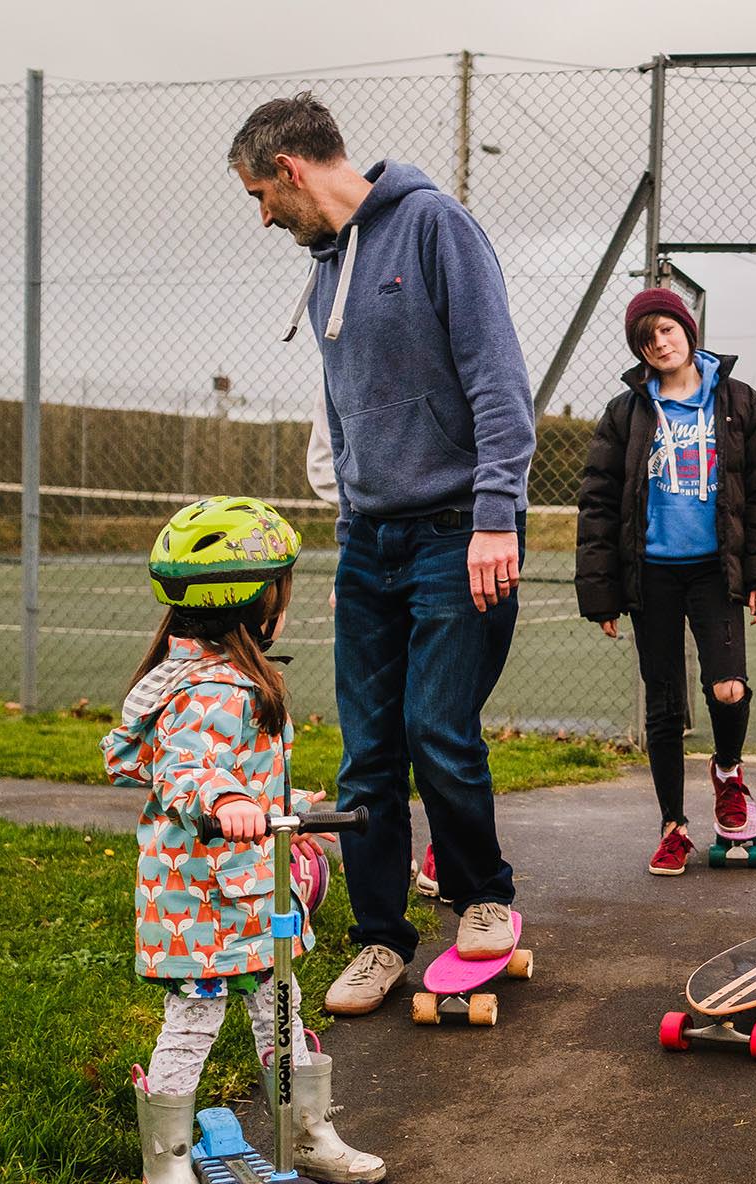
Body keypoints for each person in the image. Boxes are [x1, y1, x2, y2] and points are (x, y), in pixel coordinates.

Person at [229, 92, 537, 1014]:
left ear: (289, 169)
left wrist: (495, 514)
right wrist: (351, 534)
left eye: (258, 193)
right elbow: (348, 416)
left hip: (456, 533)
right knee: (368, 754)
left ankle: (483, 900)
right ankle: (378, 939)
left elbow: (497, 378)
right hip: (368, 544)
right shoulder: (326, 269)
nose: (261, 215)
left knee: (439, 733)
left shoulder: (436, 226)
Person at [104, 496, 384, 1184]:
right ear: (253, 605)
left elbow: (225, 762)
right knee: (194, 1019)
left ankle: (308, 1134)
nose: (283, 609)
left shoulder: (223, 671)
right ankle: (164, 1162)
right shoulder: (199, 690)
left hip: (252, 894)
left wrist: (274, 796)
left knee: (282, 1011)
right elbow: (191, 765)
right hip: (200, 904)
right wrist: (228, 798)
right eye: (280, 595)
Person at [575, 289, 756, 872]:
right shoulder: (626, 413)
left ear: (688, 330)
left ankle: (727, 774)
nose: (660, 343)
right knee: (665, 706)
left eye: (667, 329)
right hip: (652, 576)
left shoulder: (738, 402)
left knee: (728, 687)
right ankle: (673, 826)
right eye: (647, 339)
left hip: (715, 572)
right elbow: (597, 505)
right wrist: (602, 593)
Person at [306, 384, 444, 905]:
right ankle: (389, 859)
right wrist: (357, 543)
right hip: (368, 544)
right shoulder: (340, 361)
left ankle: (444, 848)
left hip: (443, 543)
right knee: (372, 740)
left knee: (436, 721)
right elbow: (325, 460)